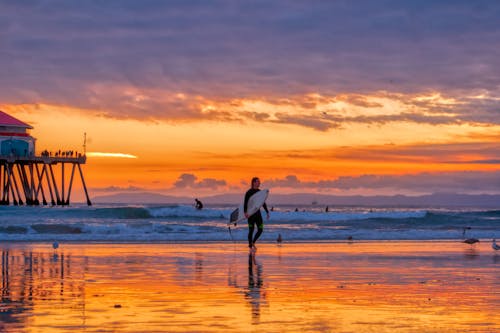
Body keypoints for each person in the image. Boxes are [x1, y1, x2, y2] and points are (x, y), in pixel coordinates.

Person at [244, 177, 269, 251]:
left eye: (259, 182)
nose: (259, 183)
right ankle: (250, 245)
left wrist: (267, 211)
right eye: (258, 182)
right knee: (251, 230)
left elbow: (263, 203)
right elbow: (245, 203)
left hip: (258, 214)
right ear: (254, 182)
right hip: (251, 215)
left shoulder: (259, 192)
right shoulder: (249, 192)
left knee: (260, 229)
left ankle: (253, 242)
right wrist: (245, 212)